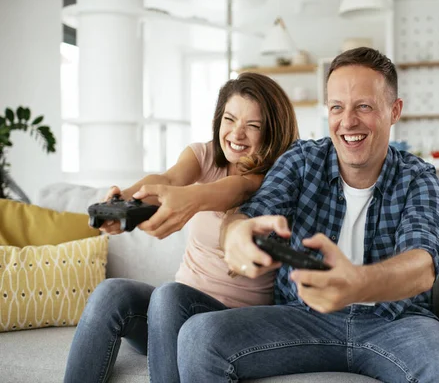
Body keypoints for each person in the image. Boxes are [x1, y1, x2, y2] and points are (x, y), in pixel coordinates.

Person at [175, 47, 439, 382]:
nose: (348, 121)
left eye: (363, 106)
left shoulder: (418, 178)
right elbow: (249, 216)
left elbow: (422, 265)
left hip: (395, 322)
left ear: (394, 110)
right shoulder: (302, 160)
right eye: (337, 107)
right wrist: (235, 233)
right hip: (301, 318)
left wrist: (358, 284)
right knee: (198, 336)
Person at [63, 72, 299, 383]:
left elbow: (238, 187)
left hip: (229, 325)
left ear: (272, 132)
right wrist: (125, 199)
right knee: (113, 291)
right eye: (230, 119)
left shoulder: (277, 178)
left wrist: (189, 198)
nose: (236, 134)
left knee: (169, 294)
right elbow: (170, 180)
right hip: (169, 318)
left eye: (252, 126)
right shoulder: (204, 154)